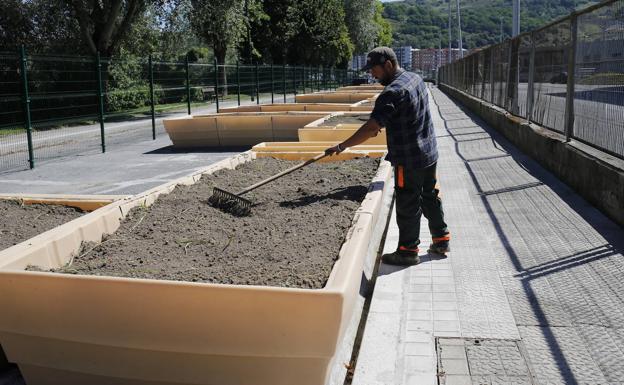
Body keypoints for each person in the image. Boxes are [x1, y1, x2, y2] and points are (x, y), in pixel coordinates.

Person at [325, 47, 449, 266]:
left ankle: (408, 251)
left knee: (407, 201)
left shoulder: (392, 92)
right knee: (429, 193)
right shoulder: (415, 78)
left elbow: (370, 128)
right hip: (429, 151)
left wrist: (342, 145)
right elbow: (407, 112)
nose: (372, 75)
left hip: (408, 158)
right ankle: (441, 239)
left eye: (374, 70)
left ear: (389, 65)